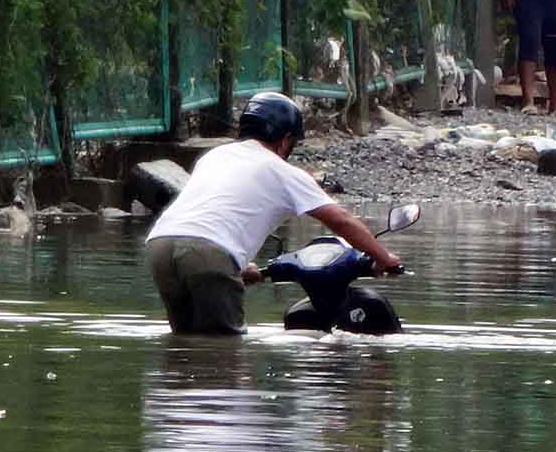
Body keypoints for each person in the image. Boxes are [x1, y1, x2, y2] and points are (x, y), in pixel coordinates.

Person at [145, 91, 402, 335]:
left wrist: (237, 266)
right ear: (285, 139)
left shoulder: (215, 156)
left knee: (185, 342)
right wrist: (384, 258)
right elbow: (341, 220)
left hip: (161, 246)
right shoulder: (282, 171)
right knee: (223, 353)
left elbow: (211, 211)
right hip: (210, 251)